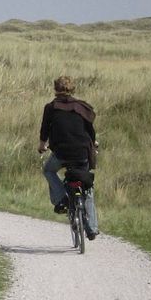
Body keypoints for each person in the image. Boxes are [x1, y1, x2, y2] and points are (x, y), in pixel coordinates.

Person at [37, 75, 100, 239]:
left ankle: (62, 198)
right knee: (87, 185)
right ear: (72, 89)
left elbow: (44, 130)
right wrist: (93, 143)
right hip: (82, 152)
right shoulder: (82, 107)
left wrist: (42, 145)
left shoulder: (51, 108)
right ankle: (92, 227)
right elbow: (90, 131)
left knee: (48, 171)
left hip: (62, 153)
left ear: (55, 89)